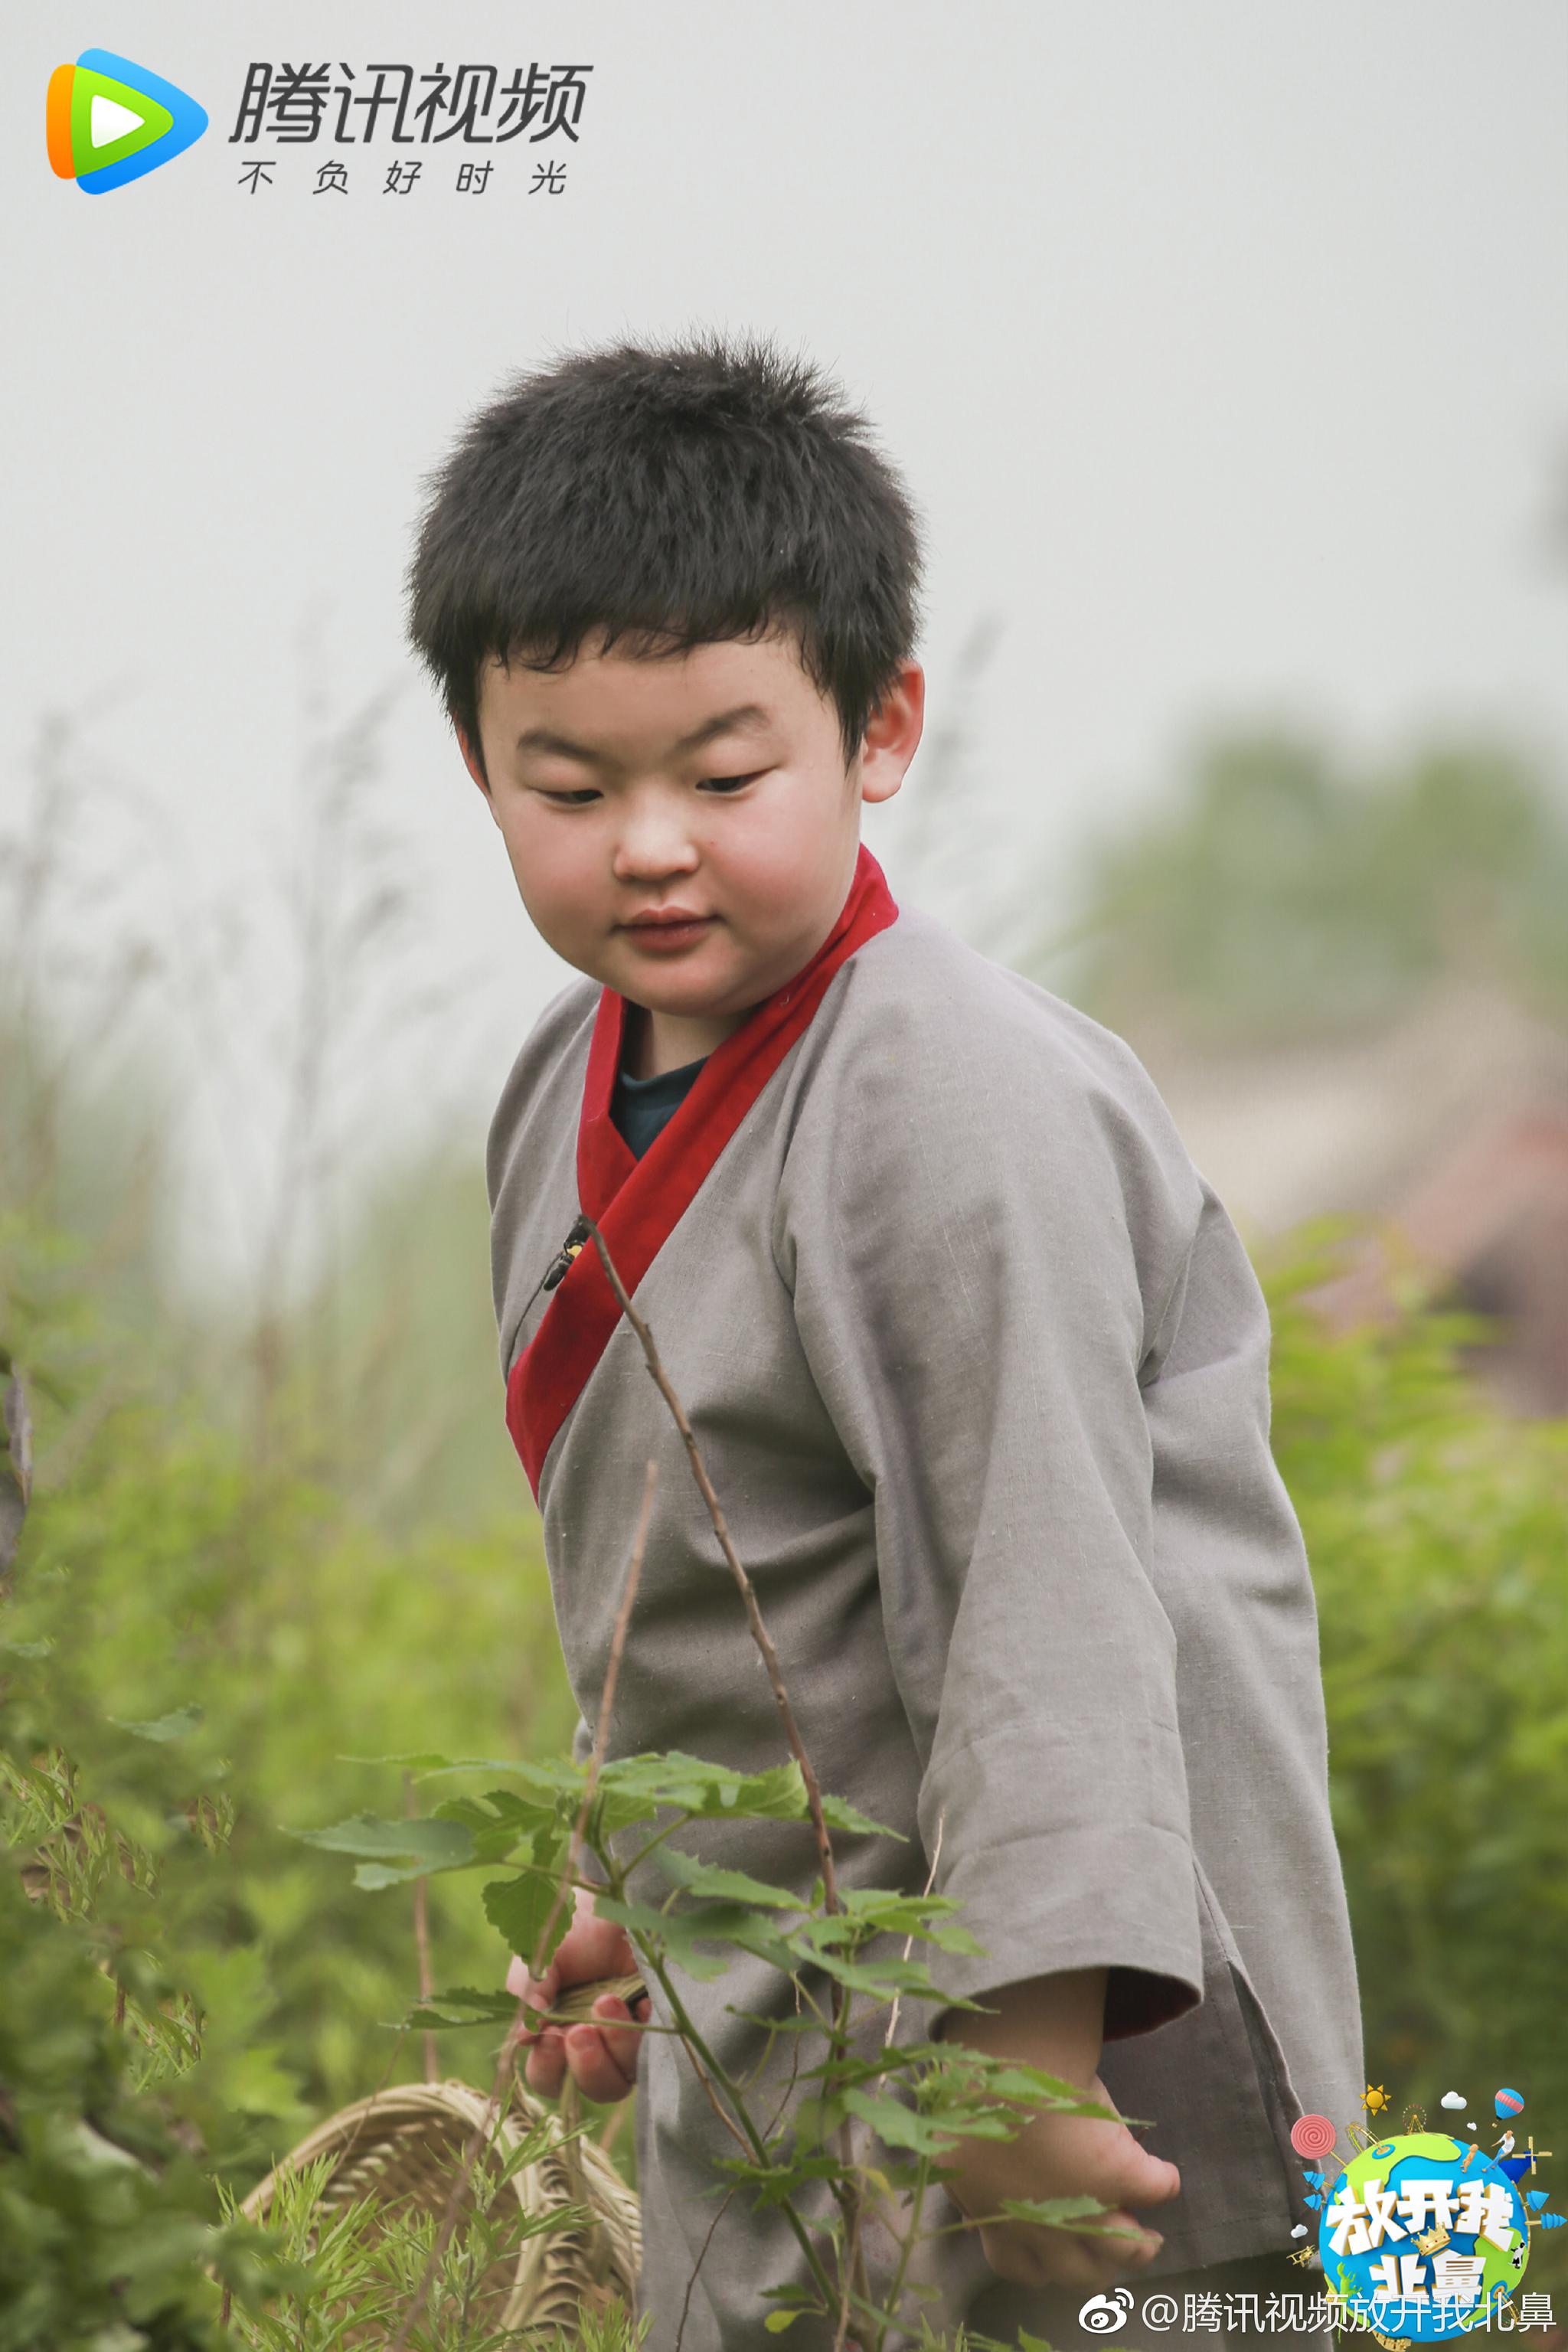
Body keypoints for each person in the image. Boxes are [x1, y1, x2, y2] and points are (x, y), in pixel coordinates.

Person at [403, 334, 1364, 2350]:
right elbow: (696, 1581)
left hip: (1070, 2016)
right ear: (481, 771)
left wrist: (1023, 2076)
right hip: (791, 1985)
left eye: (722, 776)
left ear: (880, 728)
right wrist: (638, 1884)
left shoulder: (949, 1095)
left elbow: (1047, 1592)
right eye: (570, 788)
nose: (648, 842)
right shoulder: (554, 1088)